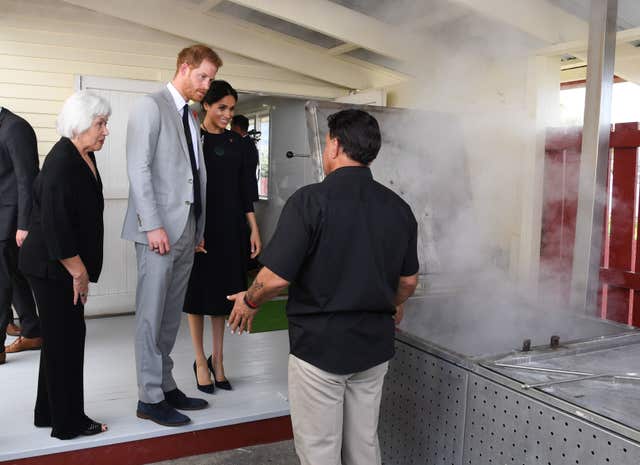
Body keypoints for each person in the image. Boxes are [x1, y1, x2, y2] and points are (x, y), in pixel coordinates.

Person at [228, 109, 419, 465]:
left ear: (333, 146)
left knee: (320, 451)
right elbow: (407, 281)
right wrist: (395, 303)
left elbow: (274, 278)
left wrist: (250, 301)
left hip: (320, 349)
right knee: (363, 446)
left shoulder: (309, 201)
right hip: (374, 347)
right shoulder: (399, 208)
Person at [122, 44, 220, 427]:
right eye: (203, 77)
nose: (207, 85)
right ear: (184, 68)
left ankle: (164, 383)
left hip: (186, 231)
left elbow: (193, 175)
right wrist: (153, 225)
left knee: (168, 317)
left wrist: (198, 228)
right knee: (150, 315)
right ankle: (149, 397)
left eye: (211, 78)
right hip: (157, 232)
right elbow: (139, 168)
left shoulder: (192, 117)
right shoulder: (151, 106)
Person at [18, 91, 110, 439]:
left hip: (56, 262)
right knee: (68, 339)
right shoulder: (61, 163)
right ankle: (68, 422)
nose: (105, 131)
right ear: (80, 124)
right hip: (51, 265)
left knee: (59, 339)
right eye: (100, 124)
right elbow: (56, 228)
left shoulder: (83, 154)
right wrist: (79, 272)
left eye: (105, 123)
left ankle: (47, 412)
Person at [184, 81, 261, 393]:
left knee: (224, 296)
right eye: (221, 108)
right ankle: (200, 360)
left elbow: (246, 192)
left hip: (231, 229)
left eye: (231, 108)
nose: (228, 114)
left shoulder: (239, 144)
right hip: (199, 230)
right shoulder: (192, 141)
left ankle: (219, 360)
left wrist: (254, 228)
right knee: (197, 295)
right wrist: (190, 230)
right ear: (206, 106)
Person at [0, 107, 41, 364]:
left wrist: (25, 224)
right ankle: (32, 330)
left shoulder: (15, 127)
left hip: (12, 219)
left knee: (3, 282)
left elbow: (27, 178)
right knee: (12, 276)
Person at [231, 114, 259, 202]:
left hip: (244, 191)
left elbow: (242, 167)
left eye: (232, 127)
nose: (230, 130)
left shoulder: (245, 144)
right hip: (243, 190)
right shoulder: (247, 143)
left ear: (237, 128)